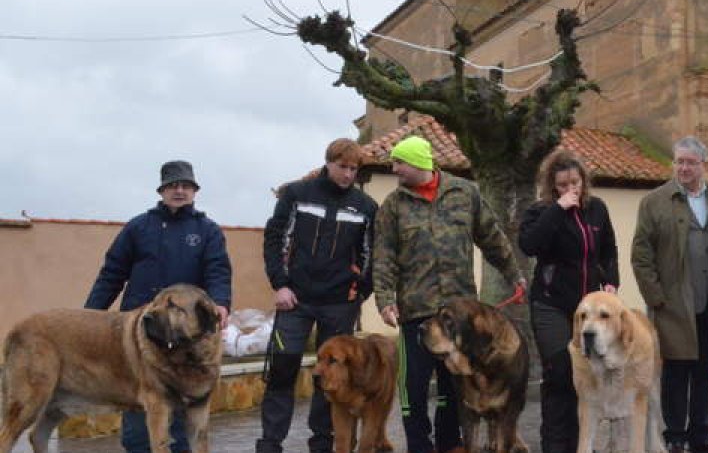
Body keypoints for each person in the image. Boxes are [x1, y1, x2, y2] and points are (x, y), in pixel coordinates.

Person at [374, 135, 527, 453]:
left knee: (453, 389)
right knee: (413, 388)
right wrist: (386, 300)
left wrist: (515, 275)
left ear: (418, 162)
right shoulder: (393, 206)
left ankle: (449, 445)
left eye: (399, 162)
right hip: (414, 313)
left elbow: (492, 237)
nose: (394, 168)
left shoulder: (465, 193)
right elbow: (384, 256)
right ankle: (418, 445)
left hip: (459, 316)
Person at [85, 159, 232, 453]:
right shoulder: (139, 227)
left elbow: (218, 271)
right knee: (139, 427)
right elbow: (112, 273)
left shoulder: (207, 230)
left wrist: (221, 304)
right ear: (162, 190)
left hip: (185, 338)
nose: (179, 190)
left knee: (178, 425)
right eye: (173, 185)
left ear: (194, 191)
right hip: (142, 336)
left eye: (186, 185)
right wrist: (91, 315)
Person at [256, 138, 379, 453]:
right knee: (282, 371)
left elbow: (372, 255)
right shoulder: (297, 195)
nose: (348, 174)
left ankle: (323, 443)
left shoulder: (366, 207)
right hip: (294, 299)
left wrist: (360, 290)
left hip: (339, 304)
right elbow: (275, 238)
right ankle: (270, 443)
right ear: (328, 163)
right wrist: (279, 284)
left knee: (334, 379)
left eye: (353, 169)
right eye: (342, 167)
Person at [519, 148, 619, 453]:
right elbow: (529, 245)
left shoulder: (597, 209)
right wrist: (557, 209)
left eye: (574, 183)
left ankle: (581, 443)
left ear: (583, 181)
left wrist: (612, 282)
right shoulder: (540, 211)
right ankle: (554, 445)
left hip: (587, 307)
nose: (570, 189)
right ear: (552, 185)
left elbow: (608, 250)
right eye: (562, 185)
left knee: (585, 375)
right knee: (560, 371)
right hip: (550, 304)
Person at [631, 136, 708, 453]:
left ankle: (701, 433)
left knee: (706, 372)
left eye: (690, 162)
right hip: (672, 305)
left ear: (703, 165)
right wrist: (656, 298)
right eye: (679, 161)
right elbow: (641, 256)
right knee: (675, 374)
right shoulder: (654, 202)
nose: (683, 167)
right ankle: (674, 436)